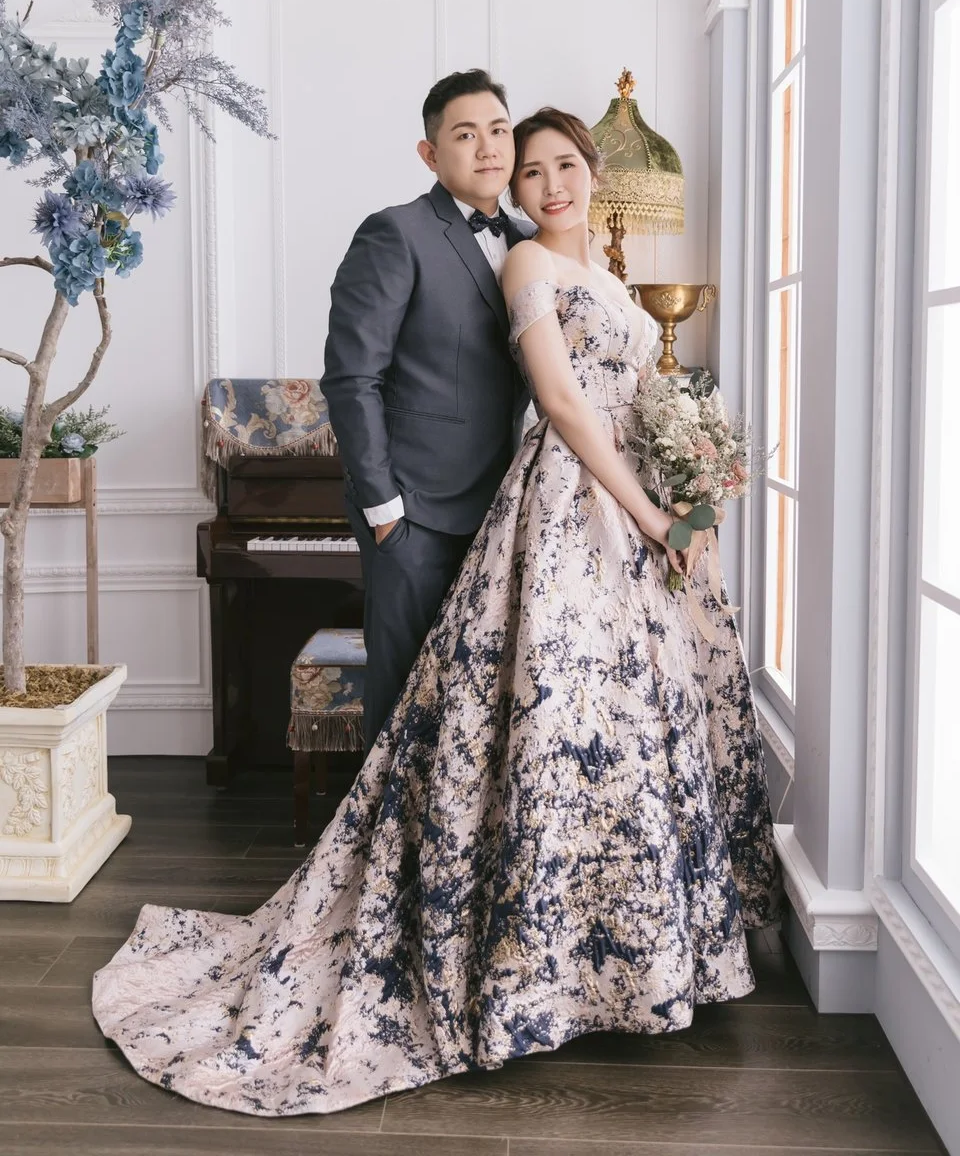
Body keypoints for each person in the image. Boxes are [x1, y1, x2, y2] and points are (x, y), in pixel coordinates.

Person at [92, 107, 780, 1118]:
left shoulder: (607, 274)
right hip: (565, 504)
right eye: (530, 169)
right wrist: (649, 515)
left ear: (594, 174)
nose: (548, 182)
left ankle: (630, 956)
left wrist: (692, 487)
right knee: (550, 723)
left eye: (563, 164)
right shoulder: (522, 264)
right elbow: (561, 404)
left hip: (622, 503)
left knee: (626, 725)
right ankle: (521, 961)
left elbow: (640, 396)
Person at [320, 68, 532, 750]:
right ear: (430, 153)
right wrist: (385, 511)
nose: (488, 147)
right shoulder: (396, 233)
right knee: (407, 698)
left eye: (499, 130)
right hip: (416, 513)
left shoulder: (530, 241)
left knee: (481, 697)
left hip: (506, 509)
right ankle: (386, 823)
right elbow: (352, 379)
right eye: (466, 135)